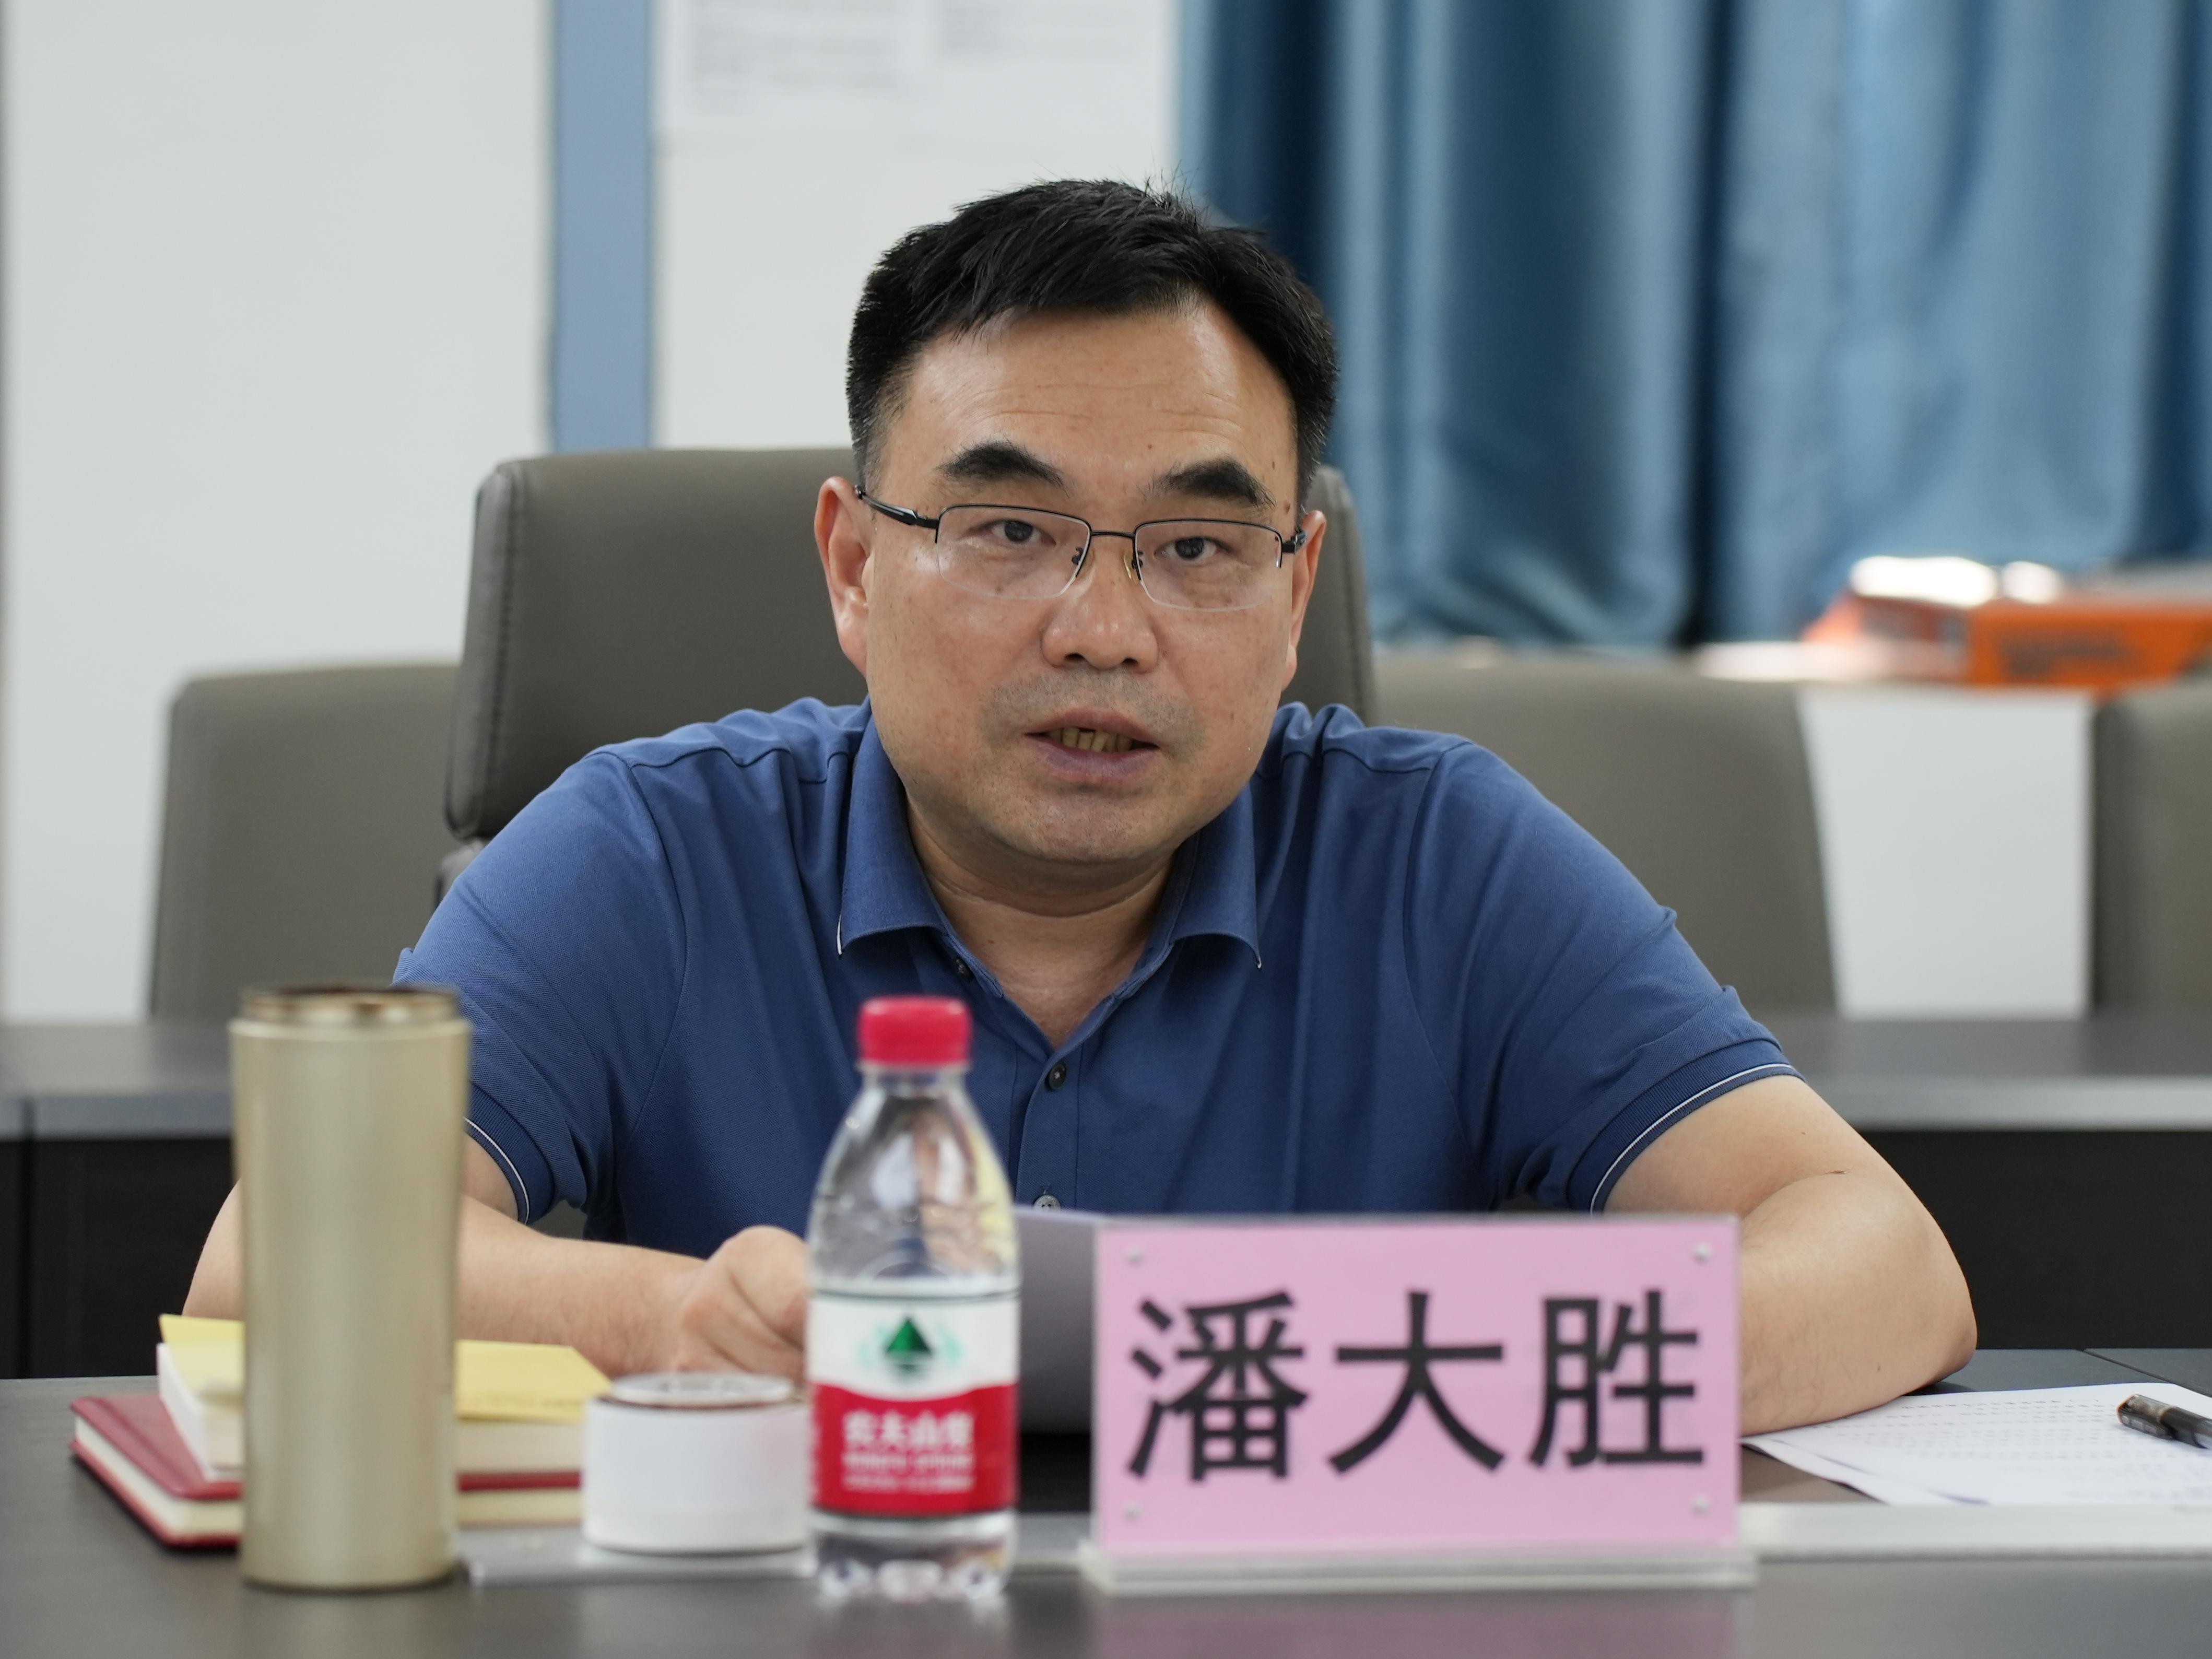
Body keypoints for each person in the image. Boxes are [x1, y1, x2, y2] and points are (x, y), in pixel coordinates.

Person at [186, 181, 1973, 1431]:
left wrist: (1419, 1357)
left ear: (1295, 590)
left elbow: (1881, 1261)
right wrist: (684, 1320)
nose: (1102, 628)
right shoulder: (650, 846)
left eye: (1195, 547)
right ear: (852, 567)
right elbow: (272, 1264)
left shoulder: (1441, 855)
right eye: (1008, 530)